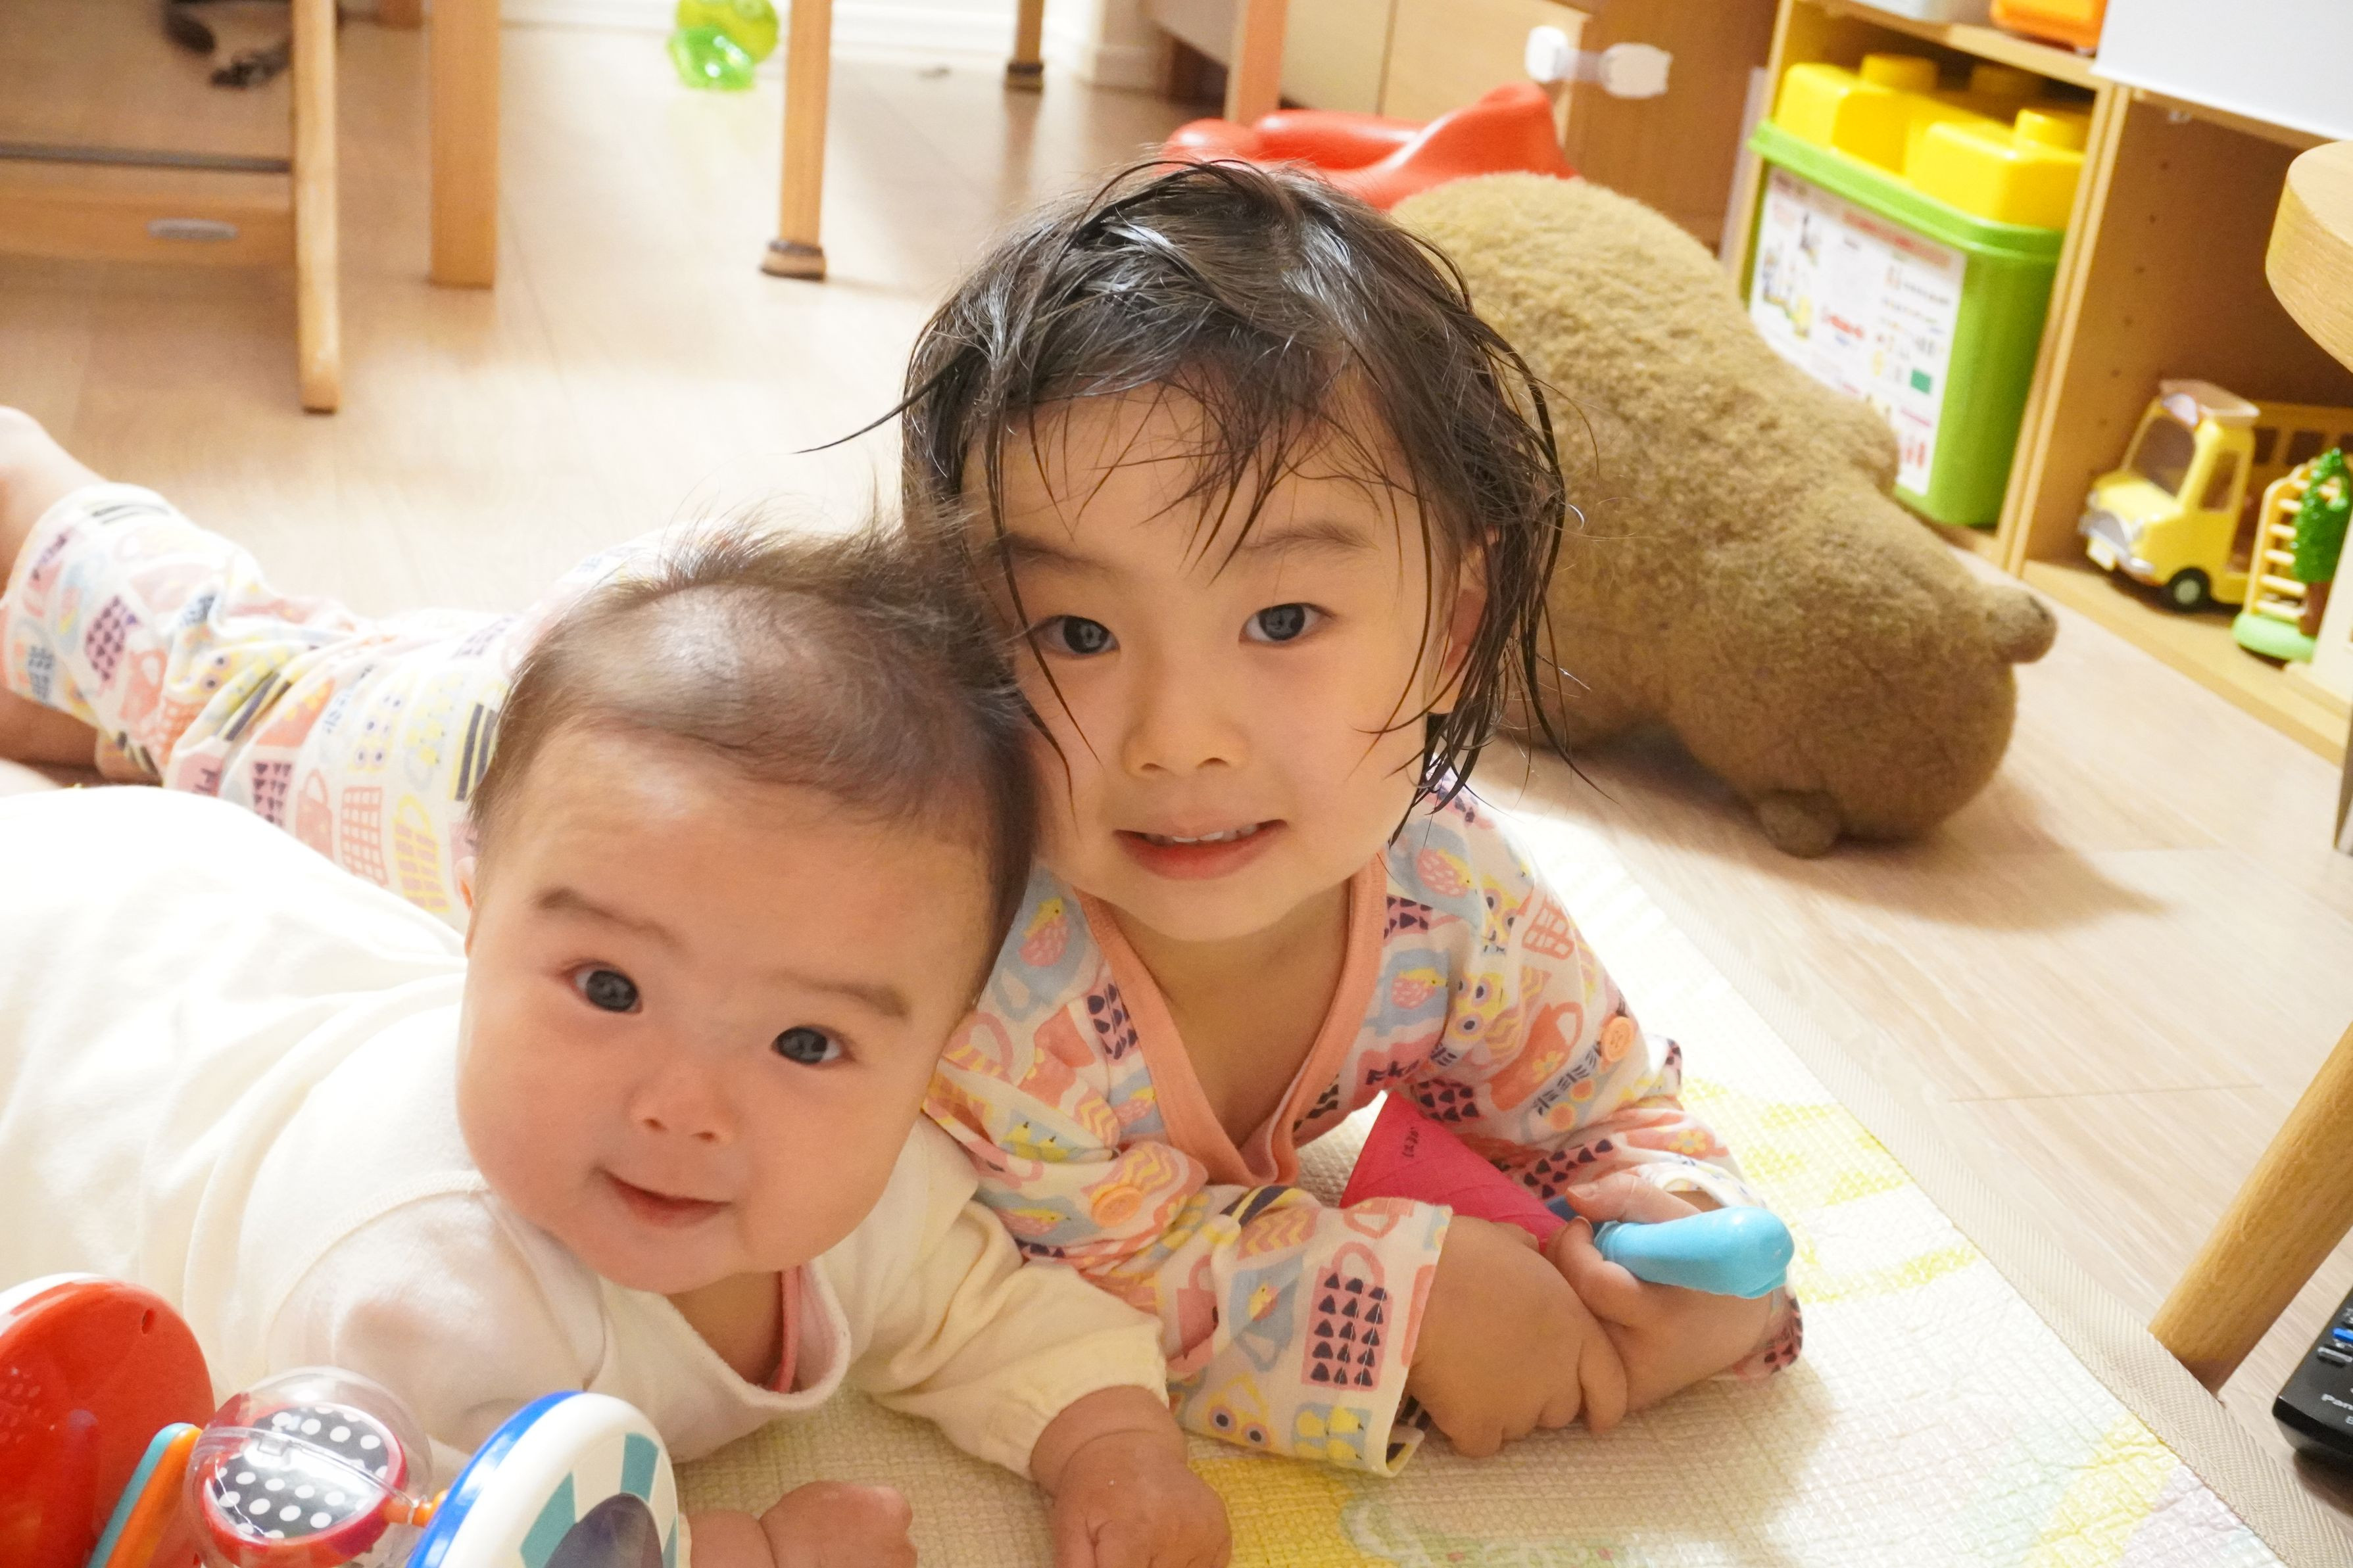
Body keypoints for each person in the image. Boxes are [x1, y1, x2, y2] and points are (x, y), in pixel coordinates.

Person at [0, 454, 1229, 1567]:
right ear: (475, 907)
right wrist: (753, 1549)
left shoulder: (862, 1187)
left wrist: (1113, 1440)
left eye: (806, 1041)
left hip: (220, 932)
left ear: (937, 1050)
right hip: (71, 981)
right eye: (609, 988)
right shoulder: (413, 1289)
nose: (684, 1107)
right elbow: (404, 1543)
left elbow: (984, 1304)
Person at [892, 161, 1801, 1474]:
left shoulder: (1444, 882)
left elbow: (1601, 1117)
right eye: (1075, 632)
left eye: (1282, 619)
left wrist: (1686, 1242)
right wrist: (1400, 1296)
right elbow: (1047, 1273)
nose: (1178, 736)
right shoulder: (979, 964)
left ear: (1453, 628)